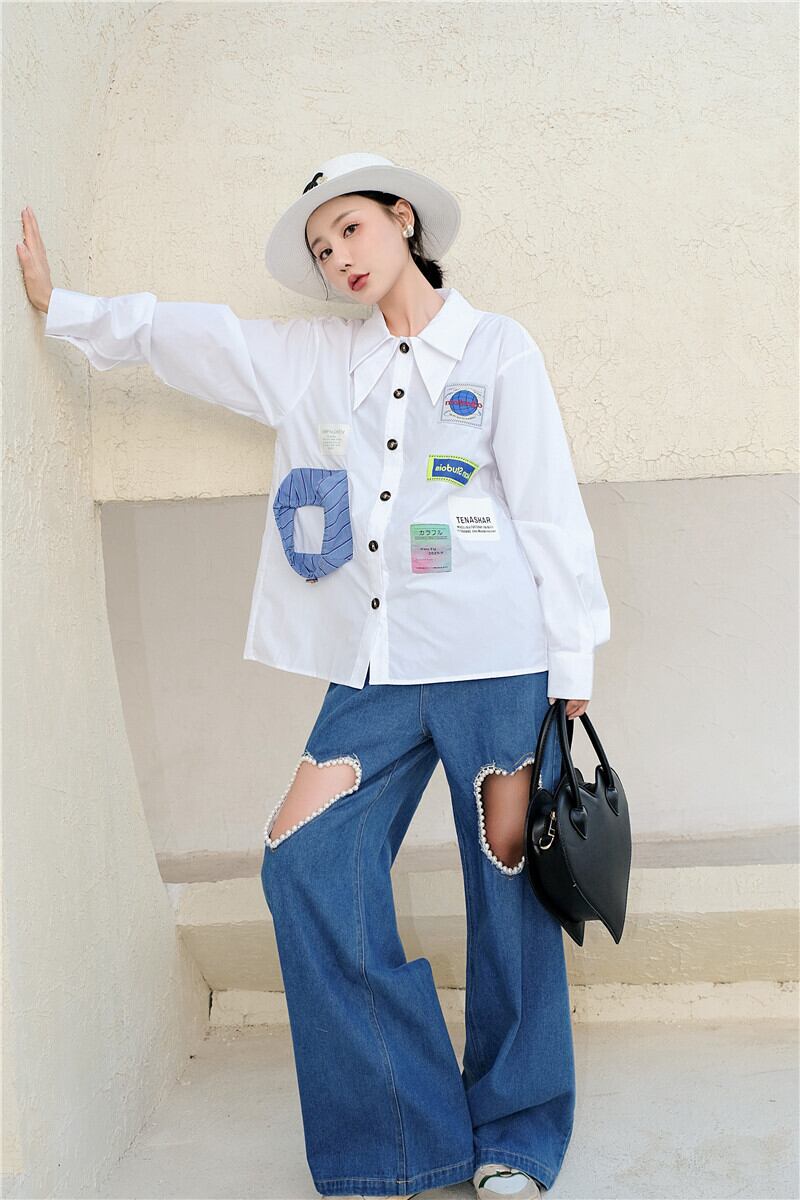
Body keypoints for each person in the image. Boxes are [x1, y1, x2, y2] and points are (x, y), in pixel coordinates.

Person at [18, 151, 611, 1200]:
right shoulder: (315, 361)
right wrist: (66, 309)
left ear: (401, 218)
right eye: (321, 247)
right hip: (373, 675)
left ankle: (516, 1137)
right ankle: (401, 1140)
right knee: (302, 862)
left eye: (350, 229)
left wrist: (572, 659)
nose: (338, 256)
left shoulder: (497, 349)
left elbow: (548, 508)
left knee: (508, 886)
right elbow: (197, 339)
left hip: (498, 662)